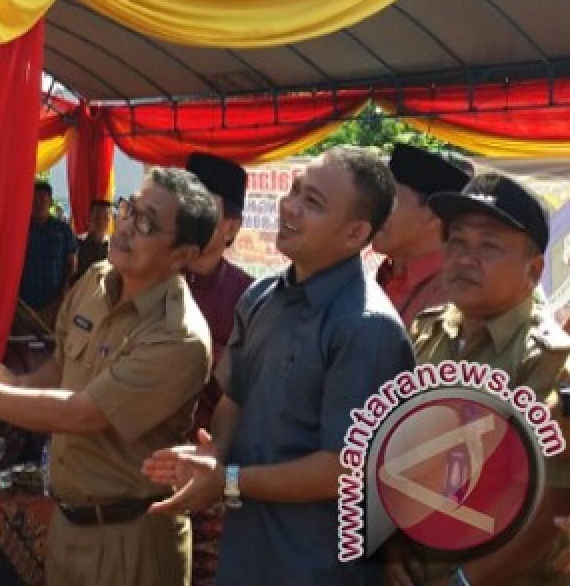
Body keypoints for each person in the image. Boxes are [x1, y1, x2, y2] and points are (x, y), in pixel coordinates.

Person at [0, 167, 218, 585]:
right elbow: (61, 369)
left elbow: (84, 414)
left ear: (182, 256)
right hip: (68, 524)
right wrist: (17, 384)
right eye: (129, 208)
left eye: (146, 222)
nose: (124, 228)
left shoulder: (179, 337)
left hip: (130, 540)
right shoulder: (96, 281)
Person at [144, 146, 416, 585]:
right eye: (294, 191)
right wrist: (213, 458)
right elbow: (234, 398)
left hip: (316, 564)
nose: (289, 207)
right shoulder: (262, 297)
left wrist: (229, 481)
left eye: (313, 202)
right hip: (247, 553)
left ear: (354, 233)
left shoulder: (368, 327)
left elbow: (341, 470)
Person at [384, 174, 570, 585]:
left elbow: (550, 504)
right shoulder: (427, 333)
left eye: (488, 246)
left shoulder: (552, 360)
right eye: (457, 242)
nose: (465, 258)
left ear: (535, 270)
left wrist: (464, 581)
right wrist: (391, 549)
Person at [183, 151, 255, 586]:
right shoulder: (148, 279)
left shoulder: (248, 297)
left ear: (231, 226)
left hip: (207, 470)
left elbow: (247, 392)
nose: (189, 215)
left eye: (203, 205)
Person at [373, 143, 471, 327]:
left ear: (434, 214)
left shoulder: (455, 294)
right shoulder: (378, 276)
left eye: (390, 200)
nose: (375, 209)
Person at [17, 180, 77, 325]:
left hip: (54, 304)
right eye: (34, 199)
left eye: (42, 200)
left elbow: (72, 265)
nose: (38, 204)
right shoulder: (19, 229)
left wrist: (62, 296)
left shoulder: (63, 230)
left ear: (50, 203)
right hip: (22, 305)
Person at [73, 199, 113, 281]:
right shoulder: (77, 244)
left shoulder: (114, 246)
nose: (101, 222)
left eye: (106, 218)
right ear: (89, 218)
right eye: (97, 217)